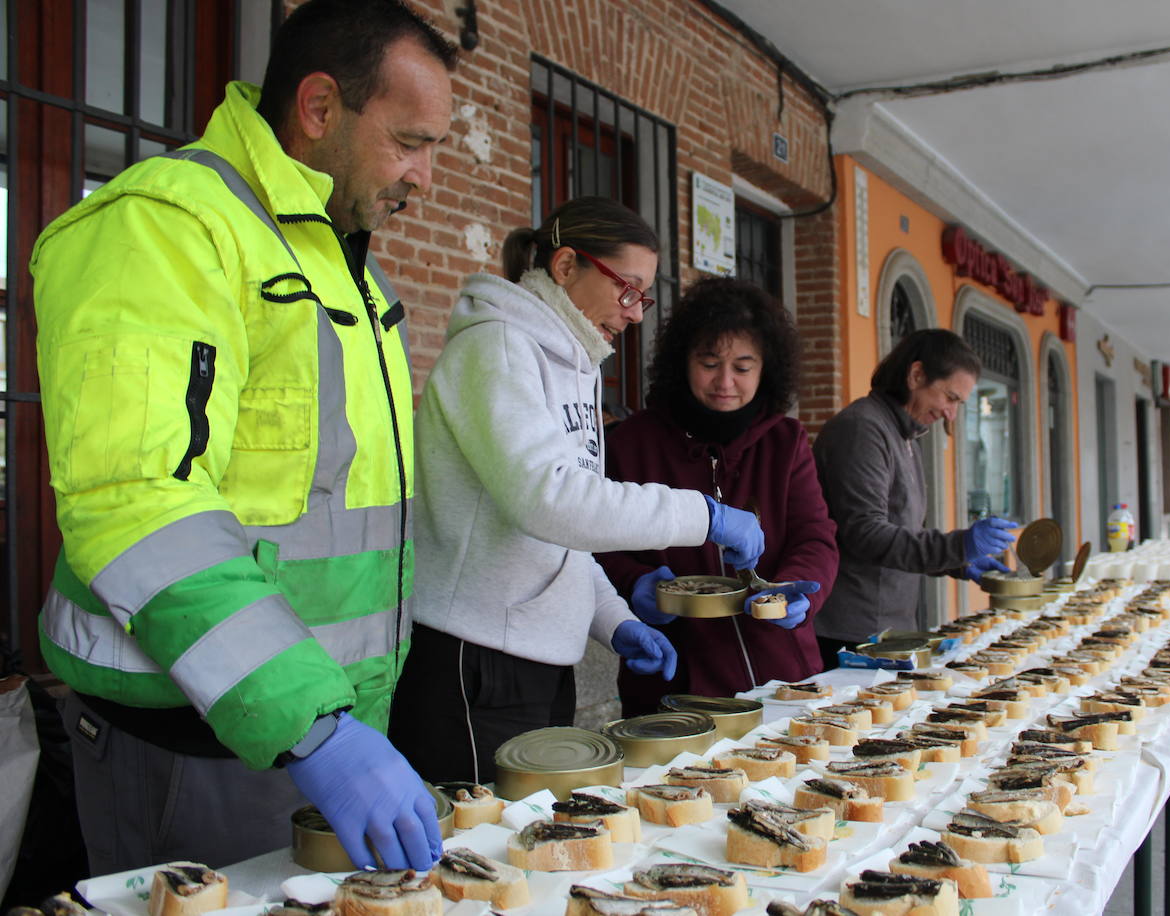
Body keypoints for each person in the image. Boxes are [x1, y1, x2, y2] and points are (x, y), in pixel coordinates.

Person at [31, 0, 457, 874]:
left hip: (313, 733)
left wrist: (336, 726)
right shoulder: (167, 225)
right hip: (193, 750)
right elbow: (138, 500)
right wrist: (313, 725)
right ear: (318, 108)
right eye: (411, 141)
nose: (425, 177)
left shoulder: (341, 260)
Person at [389, 198, 765, 783]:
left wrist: (613, 620)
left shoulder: (578, 360)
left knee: (535, 837)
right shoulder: (497, 347)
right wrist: (704, 515)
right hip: (475, 657)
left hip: (542, 660)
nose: (636, 313)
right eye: (628, 289)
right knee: (479, 845)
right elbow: (548, 499)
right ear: (566, 266)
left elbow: (565, 532)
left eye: (644, 296)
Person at [597, 278, 840, 715]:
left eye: (743, 367)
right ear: (681, 362)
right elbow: (598, 547)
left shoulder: (786, 441)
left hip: (784, 679)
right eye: (709, 363)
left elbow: (816, 536)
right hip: (673, 682)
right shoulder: (630, 444)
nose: (725, 382)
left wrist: (798, 589)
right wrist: (634, 584)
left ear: (767, 369)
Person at [811, 329, 1019, 669]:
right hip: (851, 631)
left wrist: (959, 562)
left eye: (959, 404)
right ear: (917, 374)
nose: (951, 414)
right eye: (950, 398)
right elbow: (865, 532)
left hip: (886, 626)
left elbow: (905, 530)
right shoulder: (862, 428)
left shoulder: (904, 434)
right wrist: (957, 545)